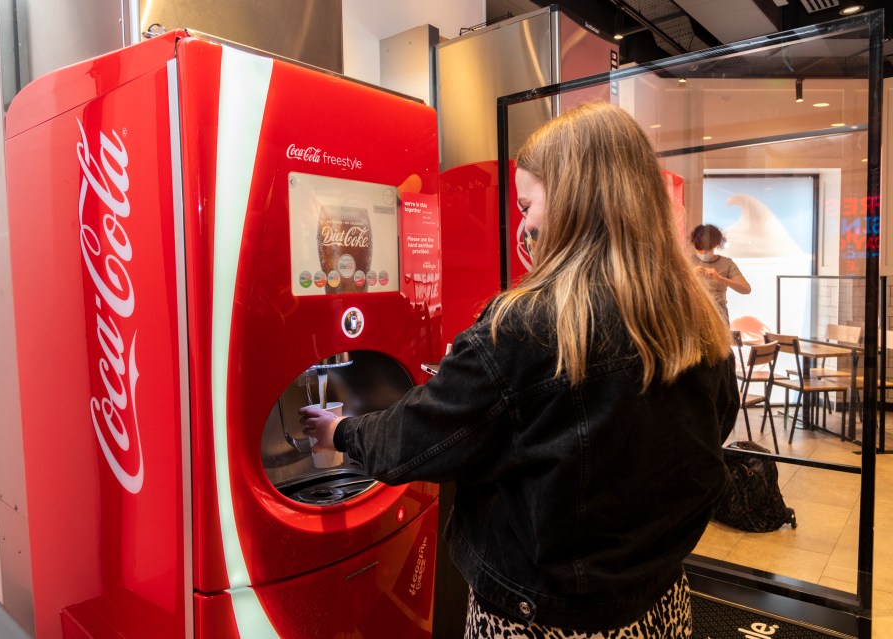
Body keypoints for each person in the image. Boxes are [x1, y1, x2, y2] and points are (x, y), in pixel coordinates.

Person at [301, 102, 737, 638]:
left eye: (528, 204)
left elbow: (418, 439)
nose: (524, 223)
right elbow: (714, 427)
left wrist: (339, 431)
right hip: (660, 599)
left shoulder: (526, 327)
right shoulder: (694, 313)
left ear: (574, 201)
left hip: (546, 620)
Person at [689, 224, 751, 323]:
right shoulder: (687, 261)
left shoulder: (726, 263)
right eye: (700, 249)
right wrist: (690, 275)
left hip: (719, 312)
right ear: (693, 244)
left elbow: (746, 289)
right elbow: (672, 289)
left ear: (716, 245)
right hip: (692, 310)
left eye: (707, 250)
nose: (704, 253)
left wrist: (720, 278)